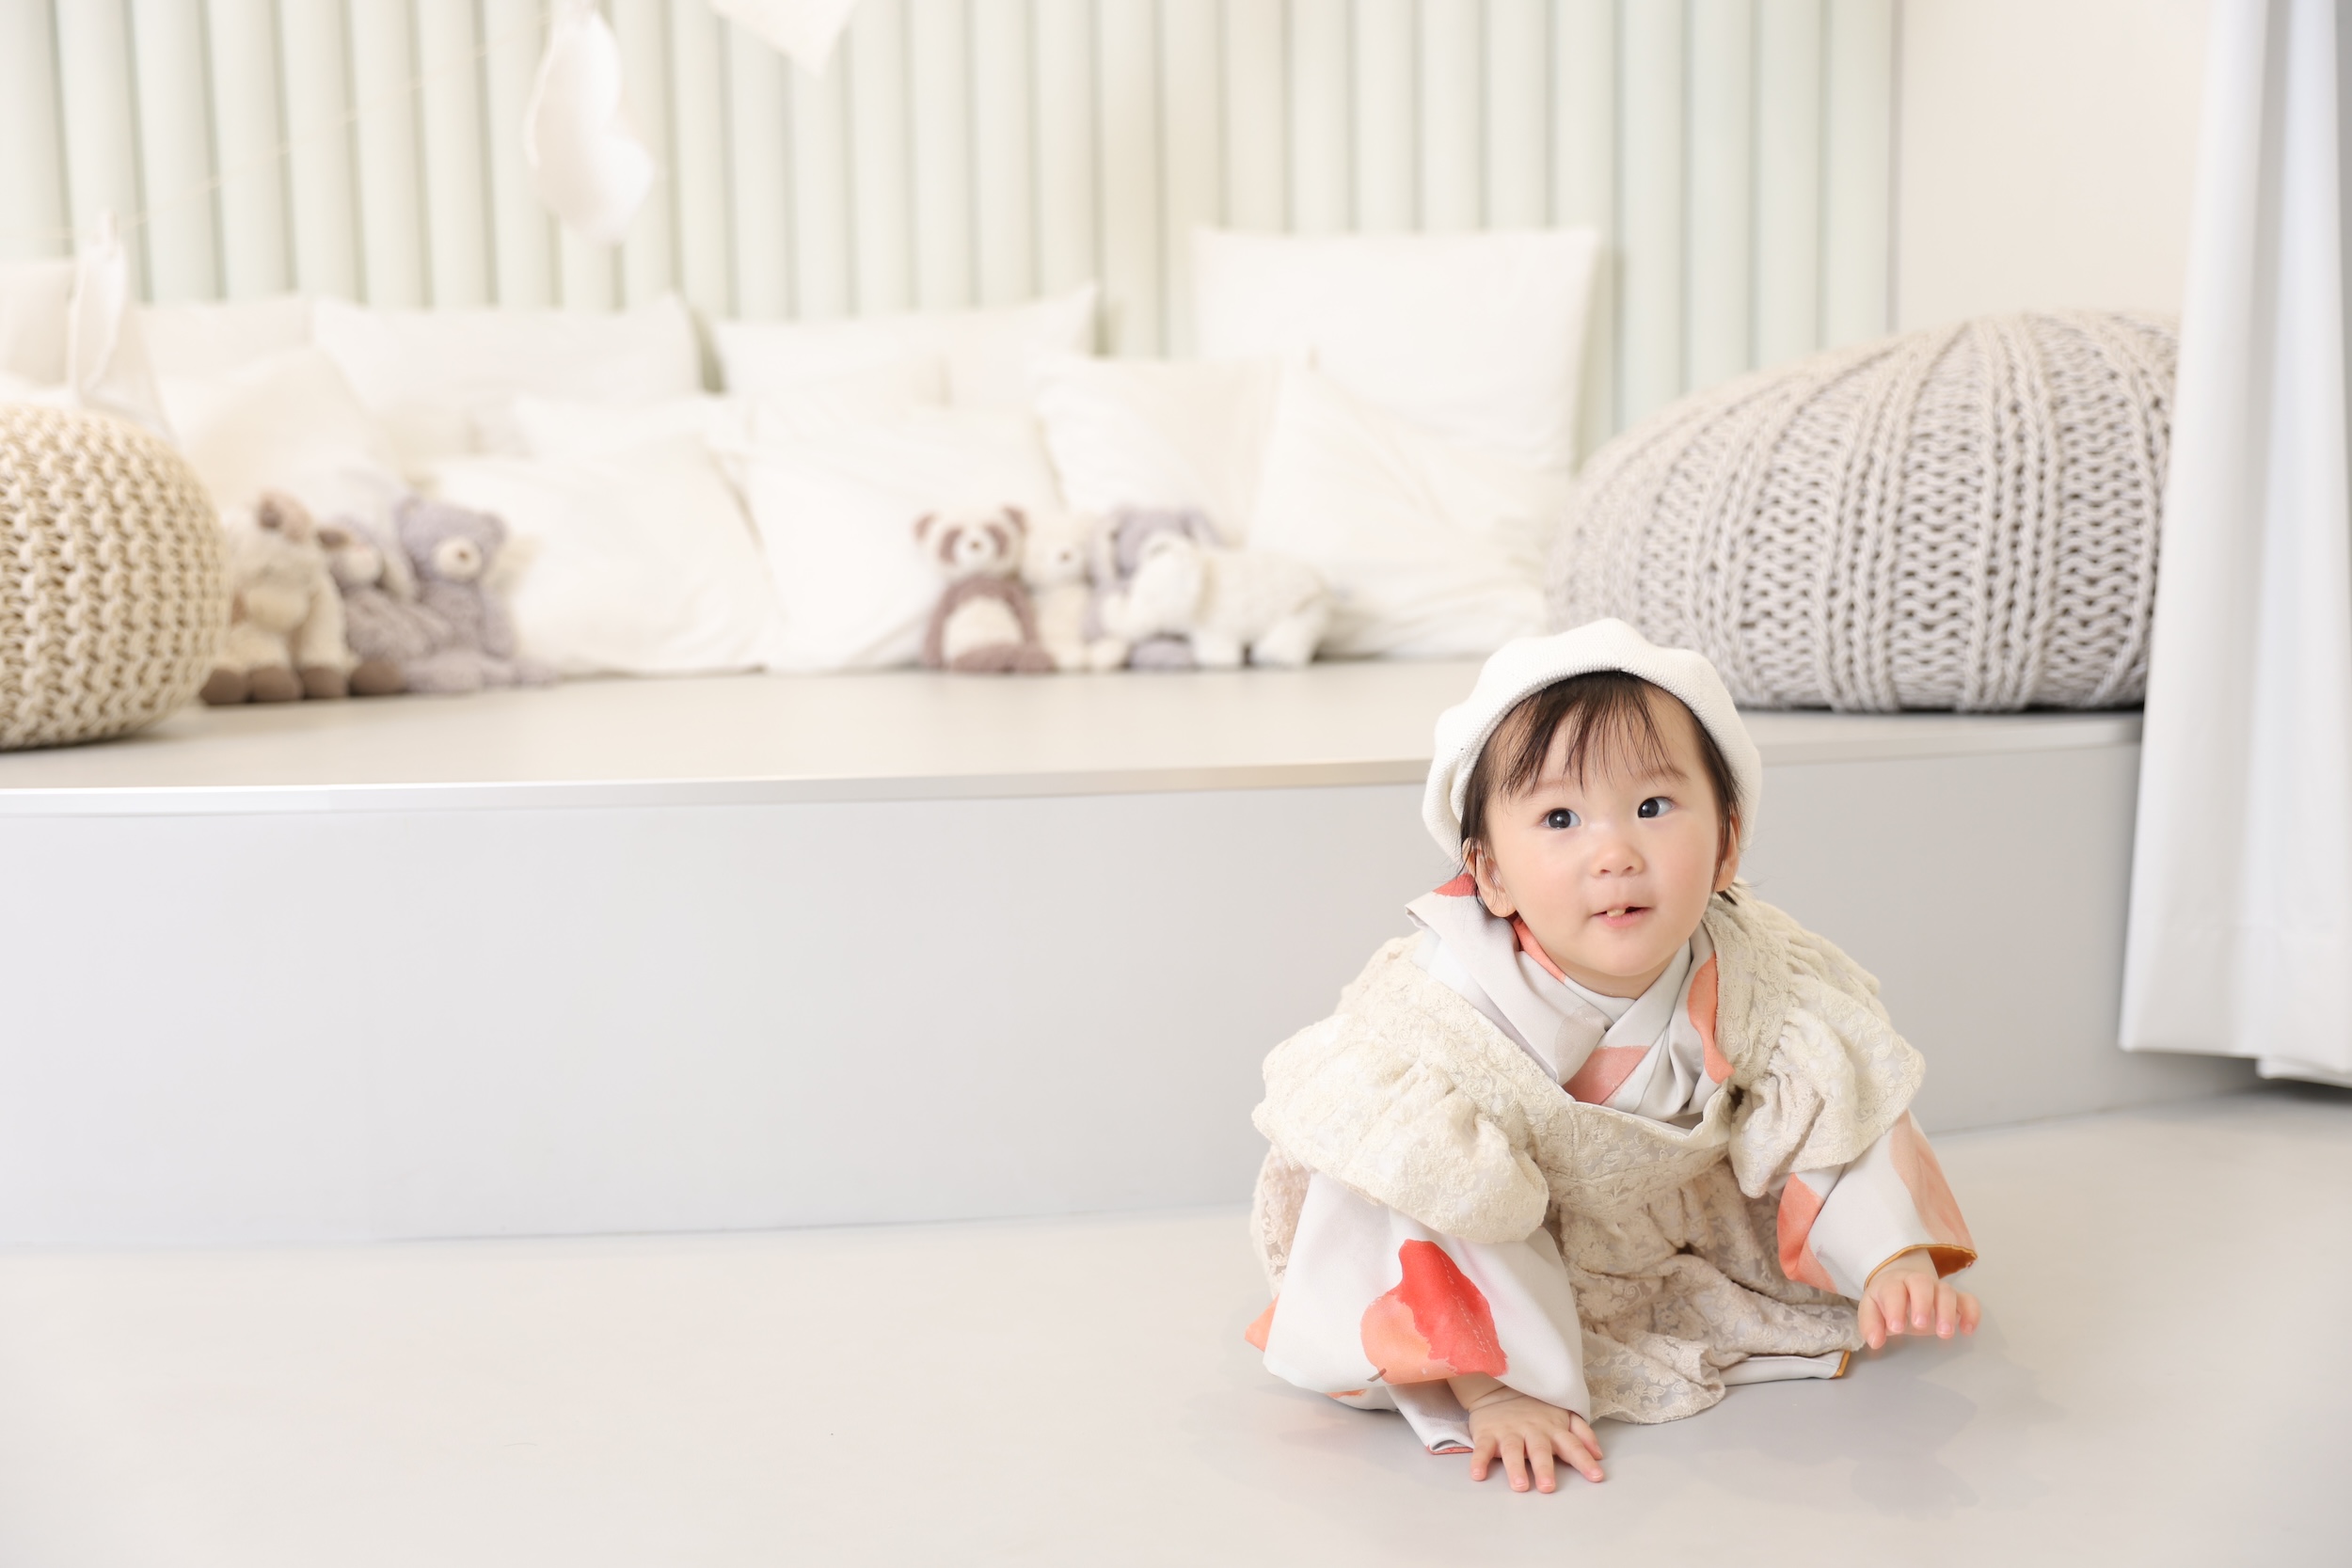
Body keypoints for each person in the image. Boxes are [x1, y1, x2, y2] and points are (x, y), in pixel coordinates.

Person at [1246, 620, 1980, 1495]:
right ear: (1489, 874)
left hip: (1666, 1215)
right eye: (1560, 818)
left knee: (1836, 1077)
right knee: (1417, 1171)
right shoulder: (1444, 1010)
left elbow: (1830, 1110)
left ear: (1727, 843)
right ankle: (1499, 1371)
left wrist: (1890, 1255)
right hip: (1498, 1231)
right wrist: (1494, 1388)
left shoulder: (1752, 969)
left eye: (1653, 806)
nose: (1616, 854)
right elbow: (1422, 1182)